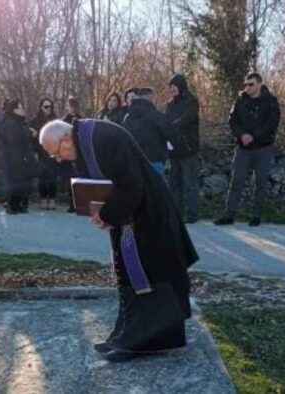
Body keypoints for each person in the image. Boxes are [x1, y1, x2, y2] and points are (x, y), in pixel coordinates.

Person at [39, 118, 198, 363]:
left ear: (65, 139)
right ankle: (125, 335)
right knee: (129, 275)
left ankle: (145, 342)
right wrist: (100, 211)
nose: (58, 159)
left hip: (148, 217)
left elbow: (130, 186)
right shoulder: (87, 139)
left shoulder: (101, 139)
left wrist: (106, 215)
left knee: (148, 279)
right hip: (131, 219)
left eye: (56, 153)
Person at [215, 73, 281, 227]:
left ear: (259, 84)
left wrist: (253, 135)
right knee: (236, 181)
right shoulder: (240, 100)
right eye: (246, 84)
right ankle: (229, 215)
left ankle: (256, 216)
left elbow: (272, 123)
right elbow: (232, 121)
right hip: (243, 148)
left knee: (260, 183)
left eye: (251, 84)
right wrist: (241, 135)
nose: (247, 87)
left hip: (263, 147)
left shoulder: (270, 101)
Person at [122, 88, 186, 178]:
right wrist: (182, 148)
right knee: (157, 185)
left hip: (134, 163)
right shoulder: (156, 116)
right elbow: (173, 135)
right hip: (155, 161)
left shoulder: (127, 118)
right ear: (151, 98)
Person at [166, 75, 201, 223]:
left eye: (174, 86)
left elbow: (188, 118)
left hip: (188, 148)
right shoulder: (170, 104)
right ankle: (177, 213)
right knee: (175, 183)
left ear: (181, 86)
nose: (172, 89)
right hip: (174, 149)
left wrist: (172, 126)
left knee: (190, 183)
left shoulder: (191, 101)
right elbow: (166, 120)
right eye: (171, 87)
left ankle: (192, 214)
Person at [0, 98, 38, 214]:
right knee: (14, 181)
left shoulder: (20, 122)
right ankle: (11, 204)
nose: (23, 110)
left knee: (21, 181)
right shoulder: (10, 122)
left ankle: (18, 204)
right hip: (12, 157)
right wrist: (28, 134)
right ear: (14, 110)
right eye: (21, 108)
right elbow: (14, 139)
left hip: (21, 156)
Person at [29, 97, 59, 210]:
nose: (48, 109)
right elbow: (30, 139)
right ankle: (43, 198)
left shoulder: (55, 121)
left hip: (52, 152)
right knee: (42, 177)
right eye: (46, 107)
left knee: (52, 177)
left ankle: (52, 199)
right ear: (41, 107)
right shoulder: (34, 121)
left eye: (50, 107)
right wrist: (34, 151)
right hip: (40, 152)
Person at [61, 96, 82, 213]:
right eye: (69, 106)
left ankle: (78, 203)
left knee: (77, 177)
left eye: (73, 106)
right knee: (69, 178)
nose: (72, 108)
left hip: (78, 152)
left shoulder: (80, 119)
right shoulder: (64, 120)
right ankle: (71, 203)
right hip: (67, 151)